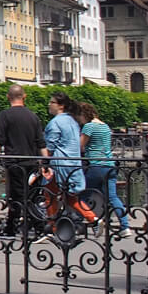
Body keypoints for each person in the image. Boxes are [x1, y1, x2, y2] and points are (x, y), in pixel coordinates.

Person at [0, 84, 40, 240]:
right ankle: (30, 227)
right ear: (24, 97)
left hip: (15, 161)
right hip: (32, 161)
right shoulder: (33, 116)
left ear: (7, 97)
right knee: (30, 196)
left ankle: (15, 228)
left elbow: (0, 139)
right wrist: (45, 162)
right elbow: (40, 142)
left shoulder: (6, 115)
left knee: (16, 196)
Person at [76, 101, 132, 239]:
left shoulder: (89, 126)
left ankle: (84, 222)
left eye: (79, 116)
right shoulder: (105, 126)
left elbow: (80, 146)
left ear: (84, 114)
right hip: (110, 165)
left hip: (96, 165)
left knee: (82, 196)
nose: (79, 120)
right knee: (112, 197)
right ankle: (125, 226)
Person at [43, 92, 98, 227]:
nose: (49, 105)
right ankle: (93, 219)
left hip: (59, 164)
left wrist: (43, 162)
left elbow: (50, 146)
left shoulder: (55, 122)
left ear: (61, 106)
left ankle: (53, 225)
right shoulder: (73, 121)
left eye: (52, 102)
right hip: (74, 163)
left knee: (49, 193)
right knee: (70, 196)